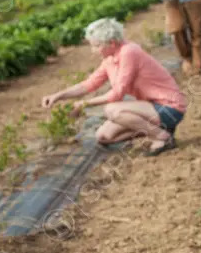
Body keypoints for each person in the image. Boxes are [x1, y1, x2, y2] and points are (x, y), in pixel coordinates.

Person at [41, 17, 186, 155]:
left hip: (170, 107)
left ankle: (162, 137)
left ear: (111, 43)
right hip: (151, 106)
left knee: (112, 110)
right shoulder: (109, 59)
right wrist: (58, 95)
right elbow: (89, 84)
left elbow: (117, 94)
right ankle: (159, 129)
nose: (93, 51)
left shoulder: (129, 52)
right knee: (103, 136)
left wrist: (84, 104)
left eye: (97, 46)